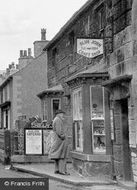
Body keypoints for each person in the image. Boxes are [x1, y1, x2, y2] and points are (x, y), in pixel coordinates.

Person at [48, 109, 70, 175]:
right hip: (60, 141)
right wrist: (63, 136)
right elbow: (59, 131)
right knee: (62, 156)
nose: (63, 115)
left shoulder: (56, 119)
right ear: (59, 114)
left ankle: (57, 170)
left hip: (58, 140)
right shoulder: (58, 120)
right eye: (62, 114)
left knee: (58, 155)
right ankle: (62, 171)